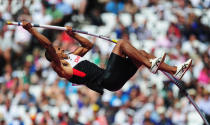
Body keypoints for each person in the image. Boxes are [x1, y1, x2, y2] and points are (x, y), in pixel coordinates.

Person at [21, 21, 192, 95]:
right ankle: (150, 65)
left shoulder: (72, 57)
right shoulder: (60, 68)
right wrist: (31, 30)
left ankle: (175, 70)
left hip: (113, 80)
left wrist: (73, 34)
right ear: (53, 56)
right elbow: (48, 46)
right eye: (58, 49)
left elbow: (89, 46)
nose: (61, 49)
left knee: (142, 54)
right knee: (123, 44)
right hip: (107, 80)